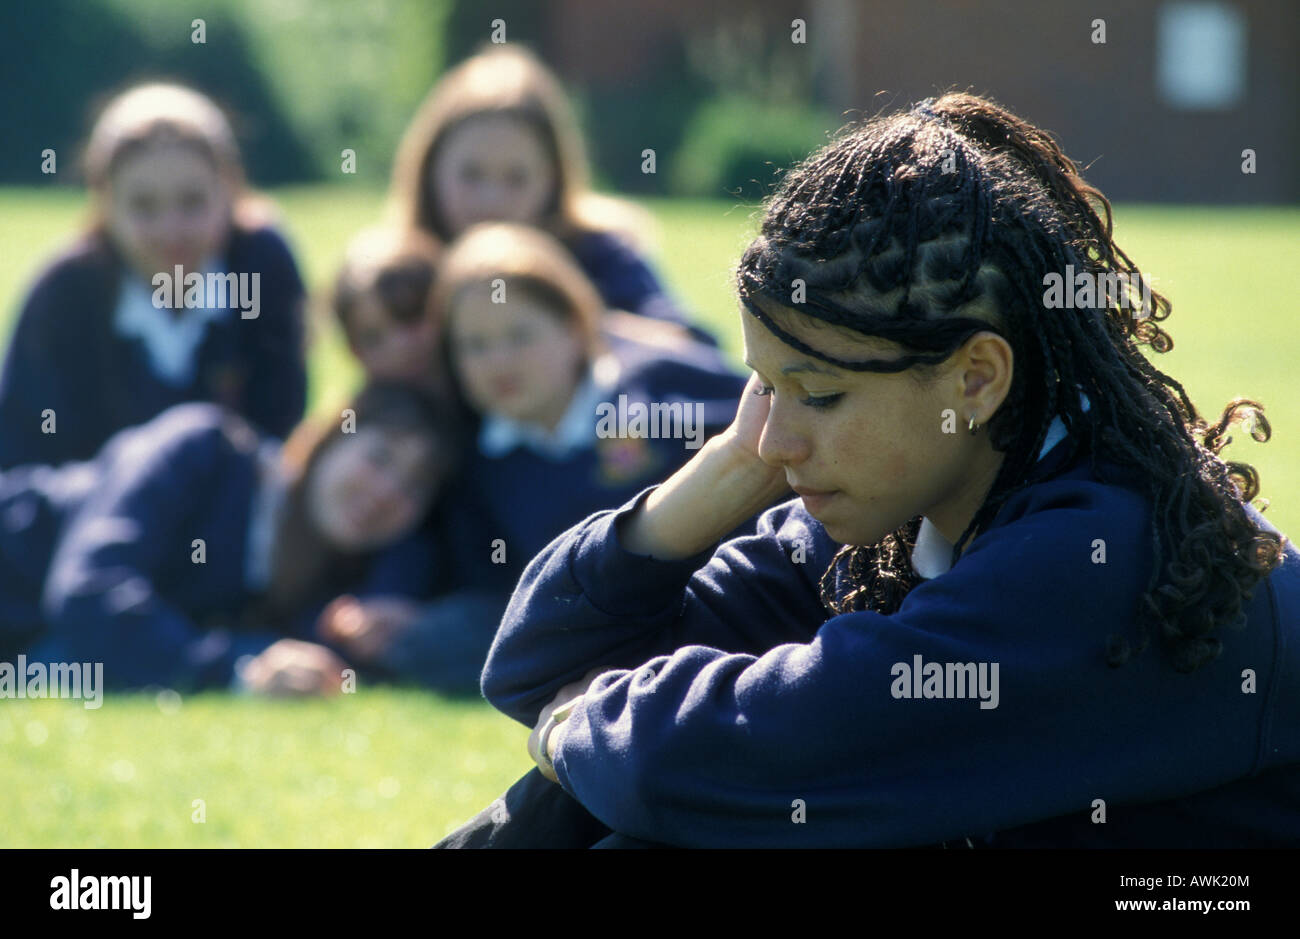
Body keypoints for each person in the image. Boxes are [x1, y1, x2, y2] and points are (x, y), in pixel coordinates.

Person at [437, 93, 1300, 848]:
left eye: (817, 393)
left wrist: (581, 726)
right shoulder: (902, 510)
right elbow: (533, 664)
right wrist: (728, 470)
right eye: (761, 386)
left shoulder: (1103, 553)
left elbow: (768, 752)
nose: (776, 437)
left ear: (976, 379)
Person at [319, 223, 748, 694]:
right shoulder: (484, 463)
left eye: (520, 335)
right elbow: (493, 590)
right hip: (586, 627)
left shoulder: (651, 384)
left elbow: (765, 422)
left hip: (723, 595)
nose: (499, 362)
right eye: (475, 346)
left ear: (574, 327)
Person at [0, 382, 452, 694]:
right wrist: (237, 670)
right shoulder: (203, 447)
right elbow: (87, 595)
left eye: (415, 487)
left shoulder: (333, 588)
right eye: (379, 457)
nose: (387, 493)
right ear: (332, 439)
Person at [0, 82, 307, 469]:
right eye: (143, 206)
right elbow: (21, 464)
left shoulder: (261, 269)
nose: (171, 230)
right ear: (105, 202)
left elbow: (280, 434)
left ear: (229, 192)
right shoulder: (65, 293)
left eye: (193, 201)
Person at [388, 44, 713, 342]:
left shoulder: (599, 253)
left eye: (517, 178)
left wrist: (571, 322)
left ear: (554, 179)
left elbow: (694, 350)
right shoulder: (409, 274)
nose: (492, 200)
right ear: (430, 170)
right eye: (470, 175)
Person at [330, 226, 448, 397]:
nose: (400, 345)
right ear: (353, 350)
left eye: (409, 316)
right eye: (373, 338)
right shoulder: (362, 421)